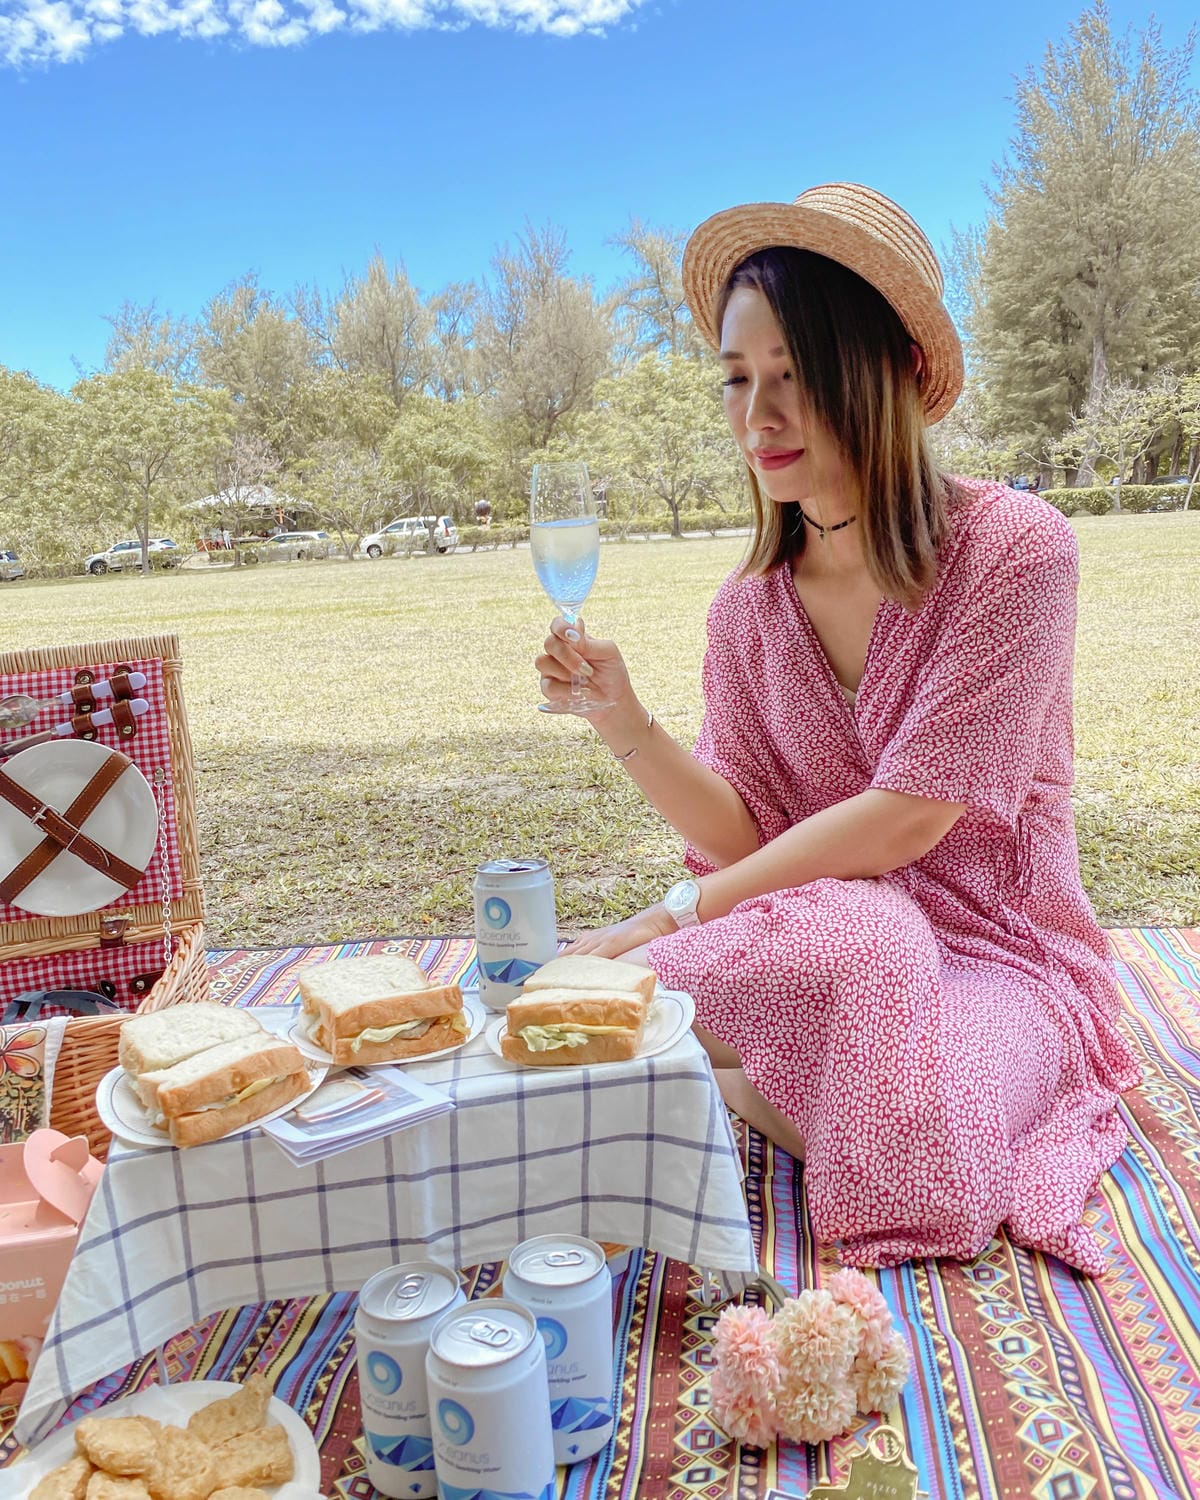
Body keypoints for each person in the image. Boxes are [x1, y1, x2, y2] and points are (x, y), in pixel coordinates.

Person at [535, 183, 1140, 1273]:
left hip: (995, 961)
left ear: (900, 372)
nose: (758, 418)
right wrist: (624, 724)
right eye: (738, 380)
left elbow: (908, 820)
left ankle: (702, 1071)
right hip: (821, 941)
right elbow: (747, 839)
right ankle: (770, 1074)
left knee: (928, 1111)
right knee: (856, 939)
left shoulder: (1016, 553)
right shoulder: (748, 609)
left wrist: (665, 925)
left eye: (796, 376)